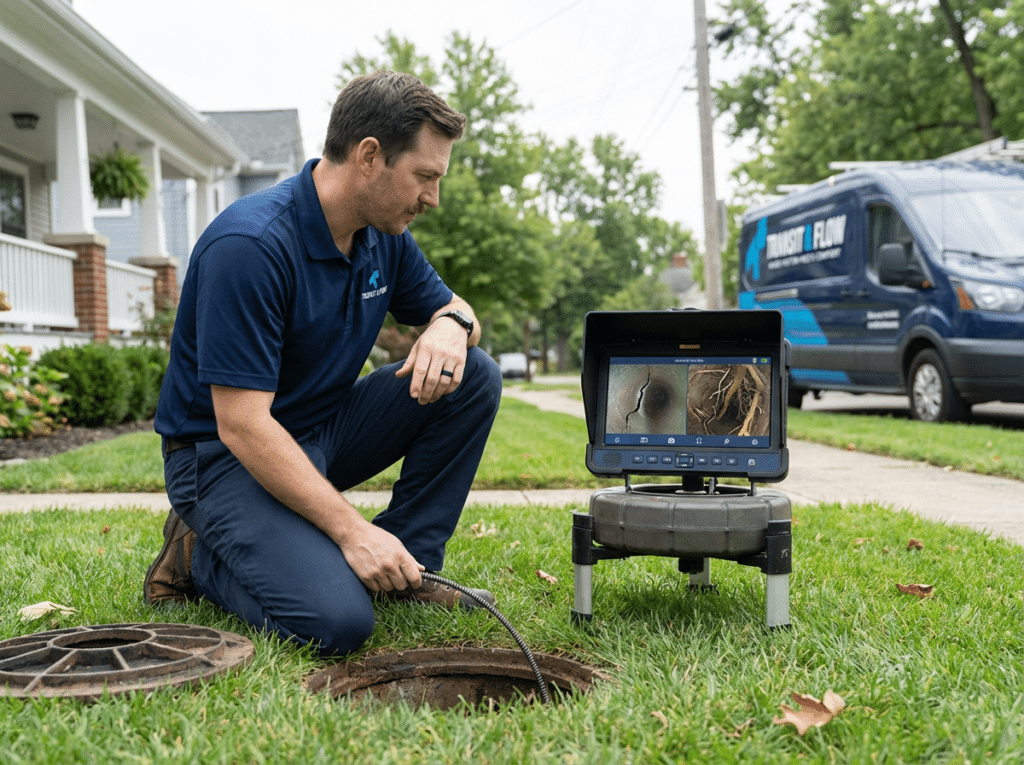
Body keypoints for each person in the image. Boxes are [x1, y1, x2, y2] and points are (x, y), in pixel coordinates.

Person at [144, 70, 502, 657]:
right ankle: (198, 556)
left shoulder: (381, 235)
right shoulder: (252, 247)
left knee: (474, 373)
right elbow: (240, 424)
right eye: (426, 177)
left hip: (321, 429)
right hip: (223, 459)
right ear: (369, 157)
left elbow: (459, 309)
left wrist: (450, 325)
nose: (433, 199)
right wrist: (353, 532)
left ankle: (408, 569)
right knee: (337, 624)